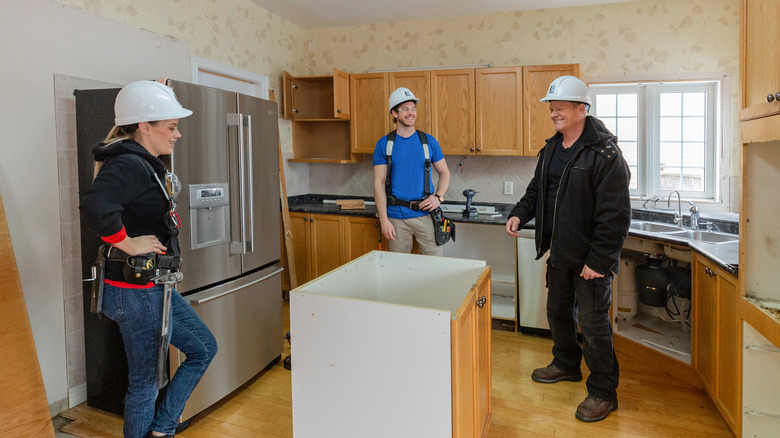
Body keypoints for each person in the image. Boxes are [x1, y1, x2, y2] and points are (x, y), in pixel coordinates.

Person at [80, 78, 217, 438]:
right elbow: (96, 208)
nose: (177, 135)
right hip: (136, 291)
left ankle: (161, 430)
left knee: (203, 348)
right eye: (171, 127)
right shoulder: (128, 164)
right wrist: (128, 244)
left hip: (154, 288)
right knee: (144, 385)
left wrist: (160, 92)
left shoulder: (141, 161)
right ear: (144, 126)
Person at [505, 75, 631, 422]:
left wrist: (600, 260)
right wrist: (519, 213)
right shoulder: (551, 150)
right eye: (552, 107)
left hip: (590, 259)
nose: (554, 113)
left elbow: (616, 214)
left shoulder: (605, 154)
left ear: (582, 109)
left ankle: (603, 392)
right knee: (558, 312)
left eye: (560, 107)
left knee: (593, 326)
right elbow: (536, 191)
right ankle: (565, 363)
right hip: (559, 252)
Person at [373, 87, 451, 255]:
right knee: (399, 271)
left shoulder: (428, 142)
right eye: (406, 109)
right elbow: (378, 184)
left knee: (435, 267)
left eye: (413, 109)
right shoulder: (384, 144)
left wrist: (438, 197)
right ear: (394, 113)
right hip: (396, 218)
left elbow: (445, 173)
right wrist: (384, 220)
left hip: (426, 216)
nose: (411, 113)